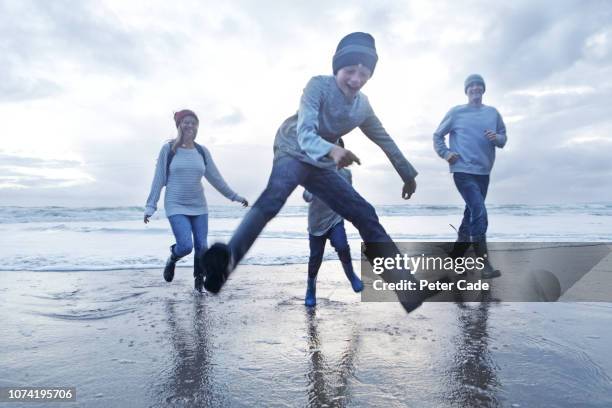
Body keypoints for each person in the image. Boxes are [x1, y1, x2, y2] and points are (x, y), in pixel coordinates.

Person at [201, 32, 444, 313]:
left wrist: (407, 173)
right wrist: (333, 150)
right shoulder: (317, 86)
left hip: (321, 164)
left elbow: (383, 138)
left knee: (365, 213)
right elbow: (305, 133)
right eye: (350, 71)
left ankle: (407, 290)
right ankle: (226, 261)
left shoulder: (362, 105)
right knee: (273, 198)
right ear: (337, 69)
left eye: (364, 73)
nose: (356, 79)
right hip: (293, 148)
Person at [144, 109, 248, 292]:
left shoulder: (202, 151)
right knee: (185, 246)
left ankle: (198, 286)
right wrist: (150, 205)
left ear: (197, 126)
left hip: (199, 206)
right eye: (186, 122)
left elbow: (216, 178)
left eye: (193, 122)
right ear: (179, 125)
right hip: (175, 204)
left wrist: (234, 196)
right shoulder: (168, 150)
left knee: (202, 247)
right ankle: (172, 258)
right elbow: (158, 178)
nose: (190, 125)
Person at [433, 74, 507, 278]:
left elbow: (503, 138)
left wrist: (497, 138)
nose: (475, 88)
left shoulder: (493, 113)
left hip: (484, 172)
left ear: (483, 89)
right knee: (479, 210)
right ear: (466, 90)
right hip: (462, 170)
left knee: (471, 214)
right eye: (471, 86)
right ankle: (484, 265)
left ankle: (457, 255)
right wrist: (446, 153)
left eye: (478, 85)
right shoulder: (456, 112)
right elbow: (437, 135)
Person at [302, 138, 363, 307]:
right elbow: (306, 197)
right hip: (316, 224)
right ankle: (310, 288)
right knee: (315, 258)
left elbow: (348, 195)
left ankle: (352, 276)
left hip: (335, 219)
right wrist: (315, 189)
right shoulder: (316, 171)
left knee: (342, 246)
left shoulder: (346, 174)